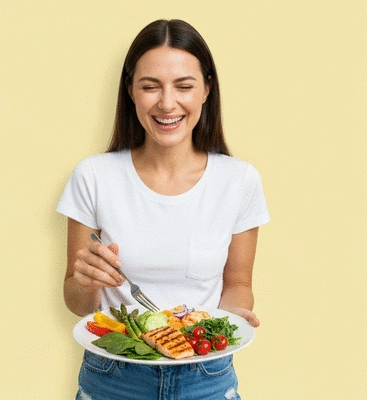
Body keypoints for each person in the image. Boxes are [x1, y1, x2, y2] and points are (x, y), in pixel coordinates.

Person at [57, 19, 269, 400]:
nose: (167, 103)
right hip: (112, 377)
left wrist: (230, 321)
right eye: (150, 86)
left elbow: (238, 285)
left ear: (206, 89)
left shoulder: (239, 181)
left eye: (184, 86)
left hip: (207, 375)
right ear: (131, 91)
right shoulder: (94, 176)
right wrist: (87, 282)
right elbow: (76, 301)